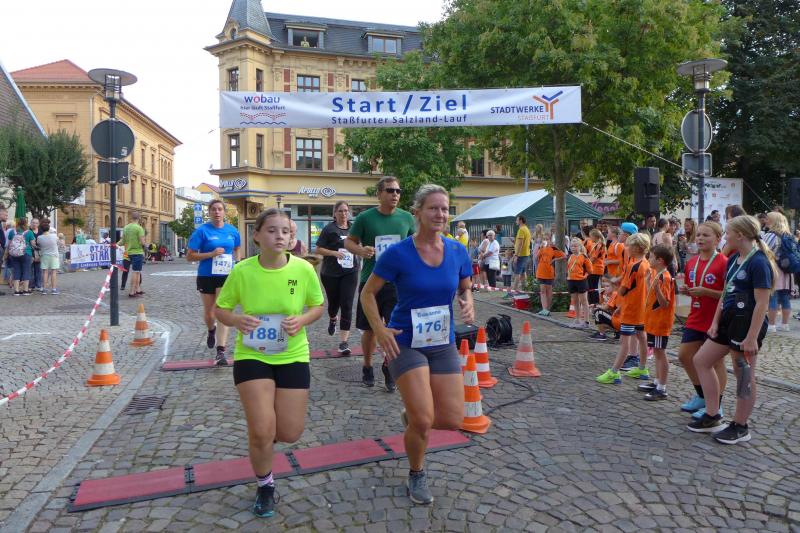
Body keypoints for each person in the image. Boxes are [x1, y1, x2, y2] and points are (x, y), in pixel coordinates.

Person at [360, 184, 473, 506]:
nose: (440, 214)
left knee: (452, 419)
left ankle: (412, 416)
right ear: (418, 213)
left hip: (442, 342)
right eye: (433, 208)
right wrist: (380, 329)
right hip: (405, 341)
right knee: (424, 420)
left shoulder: (457, 251)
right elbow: (367, 294)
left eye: (445, 209)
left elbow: (465, 287)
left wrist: (468, 301)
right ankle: (417, 472)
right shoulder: (398, 253)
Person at [215, 208, 324, 517]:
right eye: (272, 230)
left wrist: (302, 320)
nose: (280, 236)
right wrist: (236, 320)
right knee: (262, 431)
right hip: (252, 355)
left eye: (285, 231)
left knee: (289, 433)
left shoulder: (303, 269)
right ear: (257, 236)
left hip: (293, 354)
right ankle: (265, 485)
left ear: (291, 238)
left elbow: (317, 306)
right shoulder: (242, 271)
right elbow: (221, 310)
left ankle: (267, 433)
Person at [689, 215, 776, 443]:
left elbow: (762, 303)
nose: (725, 237)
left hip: (747, 324)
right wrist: (715, 322)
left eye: (727, 233)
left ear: (740, 235)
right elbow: (726, 293)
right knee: (701, 360)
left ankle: (740, 425)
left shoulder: (759, 262)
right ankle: (712, 415)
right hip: (728, 319)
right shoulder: (734, 259)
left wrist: (752, 337)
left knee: (744, 374)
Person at [346, 176, 416, 390]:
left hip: (397, 283)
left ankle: (389, 365)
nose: (395, 194)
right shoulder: (365, 218)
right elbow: (349, 242)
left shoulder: (406, 217)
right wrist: (361, 250)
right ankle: (367, 365)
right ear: (379, 194)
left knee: (395, 328)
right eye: (390, 190)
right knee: (370, 330)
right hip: (370, 281)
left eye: (398, 191)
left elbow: (415, 243)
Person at [677, 221, 729, 420]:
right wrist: (687, 291)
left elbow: (728, 294)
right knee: (684, 355)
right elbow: (694, 288)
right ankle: (701, 396)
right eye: (698, 235)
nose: (700, 238)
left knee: (715, 362)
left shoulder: (724, 262)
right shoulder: (691, 262)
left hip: (716, 319)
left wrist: (707, 292)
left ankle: (716, 405)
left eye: (706, 235)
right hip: (696, 316)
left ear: (717, 239)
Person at [187, 199, 242, 365]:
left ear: (224, 212)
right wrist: (210, 254)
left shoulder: (232, 231)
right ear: (209, 212)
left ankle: (221, 351)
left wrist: (237, 262)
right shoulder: (202, 231)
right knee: (210, 314)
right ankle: (211, 329)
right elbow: (190, 256)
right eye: (213, 209)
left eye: (220, 209)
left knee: (222, 310)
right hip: (206, 275)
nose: (217, 212)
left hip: (226, 275)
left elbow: (237, 248)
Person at [596, 232, 650, 384]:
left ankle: (614, 372)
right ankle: (642, 368)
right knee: (641, 337)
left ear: (637, 248)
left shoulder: (633, 266)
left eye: (629, 245)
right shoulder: (647, 264)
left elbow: (623, 290)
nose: (626, 248)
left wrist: (615, 286)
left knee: (624, 341)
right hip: (642, 308)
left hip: (631, 309)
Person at [315, 200, 359, 355]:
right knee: (334, 304)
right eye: (340, 211)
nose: (343, 213)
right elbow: (318, 249)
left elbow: (360, 245)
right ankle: (333, 318)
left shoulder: (354, 229)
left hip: (350, 271)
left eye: (346, 210)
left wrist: (360, 250)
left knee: (347, 304)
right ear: (335, 213)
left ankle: (343, 342)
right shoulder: (329, 229)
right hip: (331, 273)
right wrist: (334, 253)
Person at [637, 244, 676, 400]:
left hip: (660, 322)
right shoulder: (657, 274)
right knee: (657, 352)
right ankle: (657, 381)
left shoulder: (664, 277)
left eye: (651, 257)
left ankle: (662, 387)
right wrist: (649, 283)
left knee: (660, 353)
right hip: (653, 321)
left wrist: (657, 289)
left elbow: (664, 303)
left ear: (660, 260)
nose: (649, 259)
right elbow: (652, 296)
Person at [762, 211, 794, 332]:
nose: (765, 220)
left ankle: (771, 325)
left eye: (767, 218)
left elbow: (764, 252)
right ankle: (785, 324)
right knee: (785, 297)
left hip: (774, 269)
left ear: (772, 221)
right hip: (787, 270)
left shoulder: (770, 235)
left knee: (773, 297)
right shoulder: (788, 235)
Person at [535, 235, 566, 316]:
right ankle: (544, 309)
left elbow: (564, 255)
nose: (545, 240)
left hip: (549, 272)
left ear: (550, 240)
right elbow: (536, 257)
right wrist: (541, 248)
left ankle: (548, 309)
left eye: (547, 239)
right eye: (544, 239)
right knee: (542, 290)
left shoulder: (553, 248)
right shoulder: (541, 248)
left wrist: (555, 259)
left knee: (548, 290)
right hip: (540, 271)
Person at [5, 218, 35, 296]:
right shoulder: (29, 232)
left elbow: (9, 244)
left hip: (14, 254)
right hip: (26, 253)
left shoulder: (12, 232)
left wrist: (7, 253)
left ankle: (16, 291)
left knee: (16, 271)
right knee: (26, 271)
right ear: (26, 223)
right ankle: (25, 290)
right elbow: (33, 244)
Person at [566, 238, 592, 328]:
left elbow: (590, 270)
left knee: (584, 301)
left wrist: (584, 276)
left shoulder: (584, 257)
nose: (573, 248)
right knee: (575, 301)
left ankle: (586, 321)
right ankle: (577, 319)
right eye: (572, 246)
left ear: (580, 247)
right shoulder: (570, 257)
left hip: (581, 281)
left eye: (575, 246)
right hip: (571, 280)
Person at [120, 212, 146, 298]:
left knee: (138, 272)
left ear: (131, 218)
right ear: (139, 218)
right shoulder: (139, 228)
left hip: (128, 253)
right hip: (137, 252)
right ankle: (132, 291)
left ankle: (138, 289)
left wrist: (115, 244)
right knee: (135, 272)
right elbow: (142, 242)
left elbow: (122, 241)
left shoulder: (126, 227)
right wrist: (146, 246)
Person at [36, 221, 60, 294]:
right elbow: (58, 243)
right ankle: (54, 289)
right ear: (49, 229)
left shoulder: (39, 237)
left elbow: (38, 245)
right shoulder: (54, 236)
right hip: (54, 255)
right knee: (53, 272)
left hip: (44, 255)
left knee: (45, 272)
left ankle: (44, 289)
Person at [511, 215, 532, 294]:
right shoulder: (526, 229)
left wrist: (516, 255)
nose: (516, 221)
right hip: (526, 254)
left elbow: (520, 244)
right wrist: (515, 242)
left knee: (517, 273)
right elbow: (523, 242)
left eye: (517, 220)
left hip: (521, 255)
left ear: (520, 221)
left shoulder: (521, 230)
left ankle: (513, 291)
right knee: (523, 273)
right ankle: (525, 290)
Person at [587, 229, 606, 305]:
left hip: (596, 268)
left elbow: (594, 258)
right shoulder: (596, 244)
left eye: (591, 236)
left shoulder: (599, 245)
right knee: (592, 287)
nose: (590, 238)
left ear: (595, 236)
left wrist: (586, 264)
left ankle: (594, 303)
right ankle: (593, 303)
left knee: (592, 287)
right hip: (595, 268)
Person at [29, 218, 42, 291]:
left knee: (38, 269)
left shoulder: (41, 231)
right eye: (33, 222)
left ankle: (38, 285)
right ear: (31, 223)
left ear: (38, 224)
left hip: (39, 253)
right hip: (30, 252)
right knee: (31, 270)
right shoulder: (28, 231)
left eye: (36, 223)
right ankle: (31, 285)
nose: (34, 224)